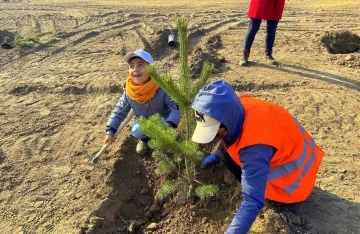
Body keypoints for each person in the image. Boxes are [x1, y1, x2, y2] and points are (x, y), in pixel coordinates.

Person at [191, 80, 324, 233]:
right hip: (299, 162)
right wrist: (216, 155)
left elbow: (252, 201)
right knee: (225, 151)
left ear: (226, 121)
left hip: (292, 187)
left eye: (217, 133)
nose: (215, 138)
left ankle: (276, 202)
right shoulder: (240, 106)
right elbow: (228, 138)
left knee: (229, 157)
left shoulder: (255, 149)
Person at [105, 49, 180, 155]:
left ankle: (163, 143)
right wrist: (110, 130)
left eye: (140, 65)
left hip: (163, 119)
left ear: (151, 69)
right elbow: (119, 110)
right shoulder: (129, 91)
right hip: (143, 121)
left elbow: (175, 106)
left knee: (163, 129)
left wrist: (171, 124)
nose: (135, 69)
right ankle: (145, 141)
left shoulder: (161, 86)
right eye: (131, 66)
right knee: (136, 130)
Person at [240, 0, 286, 66]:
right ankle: (245, 55)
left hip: (276, 3)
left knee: (271, 30)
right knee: (252, 29)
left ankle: (268, 54)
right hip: (260, 2)